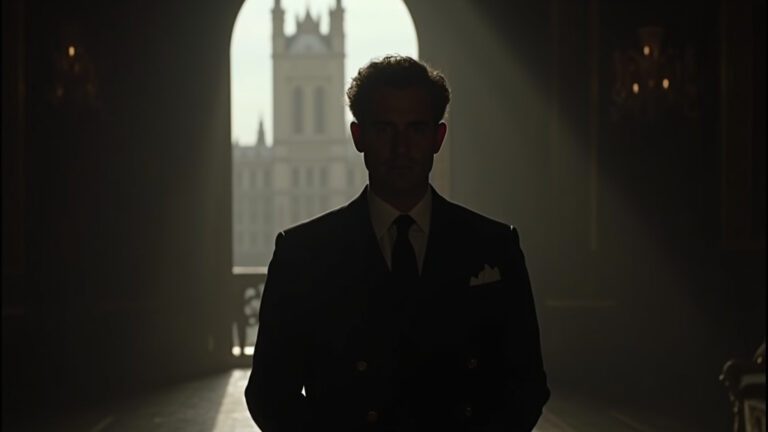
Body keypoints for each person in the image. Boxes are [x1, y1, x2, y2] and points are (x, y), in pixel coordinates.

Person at [245, 55, 550, 431]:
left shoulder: (495, 247)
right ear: (359, 137)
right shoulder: (301, 255)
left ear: (438, 138)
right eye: (384, 129)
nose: (401, 147)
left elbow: (527, 385)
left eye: (416, 129)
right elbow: (270, 394)